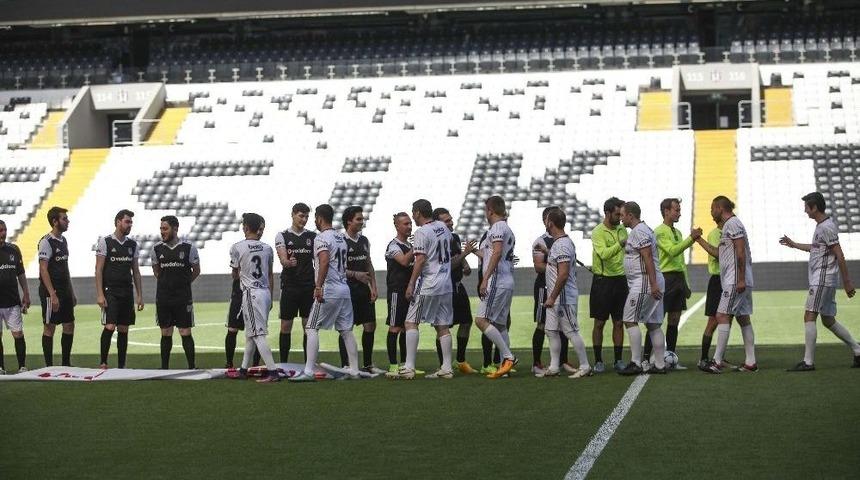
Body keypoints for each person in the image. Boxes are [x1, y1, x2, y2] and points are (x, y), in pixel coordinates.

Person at [780, 192, 860, 371]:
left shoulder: (826, 227)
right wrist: (793, 244)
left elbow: (839, 254)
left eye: (807, 207)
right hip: (825, 279)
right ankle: (858, 350)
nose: (805, 211)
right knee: (828, 320)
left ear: (814, 207)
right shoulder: (822, 226)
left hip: (822, 279)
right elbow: (816, 248)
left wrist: (847, 282)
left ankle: (808, 362)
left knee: (809, 315)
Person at [386, 199, 455, 380]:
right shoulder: (442, 226)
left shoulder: (421, 233)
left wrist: (411, 284)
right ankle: (447, 368)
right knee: (443, 326)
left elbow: (420, 260)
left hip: (430, 283)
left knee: (410, 322)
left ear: (417, 213)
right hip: (446, 283)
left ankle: (409, 366)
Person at [291, 204, 360, 382]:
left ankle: (308, 371)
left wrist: (318, 286)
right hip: (344, 289)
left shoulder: (321, 238)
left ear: (320, 218)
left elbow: (324, 261)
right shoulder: (341, 237)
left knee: (311, 328)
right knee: (346, 330)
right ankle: (354, 369)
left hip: (329, 288)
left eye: (315, 217)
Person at [695, 196, 757, 373]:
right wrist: (699, 240)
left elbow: (740, 252)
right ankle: (751, 362)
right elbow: (720, 254)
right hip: (736, 279)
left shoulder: (733, 224)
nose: (711, 212)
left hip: (735, 280)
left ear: (720, 208)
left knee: (721, 315)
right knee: (743, 318)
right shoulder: (728, 227)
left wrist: (741, 279)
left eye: (712, 208)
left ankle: (716, 361)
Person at [647, 198, 701, 370]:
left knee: (674, 320)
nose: (679, 213)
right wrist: (691, 239)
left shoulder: (677, 232)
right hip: (666, 278)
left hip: (677, 279)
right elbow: (671, 252)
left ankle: (670, 356)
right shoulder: (659, 232)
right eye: (676, 210)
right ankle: (646, 358)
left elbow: (681, 261)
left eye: (679, 210)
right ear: (666, 211)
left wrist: (686, 283)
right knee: (657, 320)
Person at [538, 208, 592, 378]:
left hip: (562, 298)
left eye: (546, 220)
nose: (545, 223)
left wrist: (552, 297)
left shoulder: (561, 244)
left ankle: (585, 365)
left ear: (550, 223)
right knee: (551, 330)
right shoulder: (560, 243)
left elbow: (563, 274)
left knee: (571, 331)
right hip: (557, 297)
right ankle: (554, 366)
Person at [227, 213, 279, 383]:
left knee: (258, 334)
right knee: (251, 333)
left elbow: (235, 274)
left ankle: (273, 371)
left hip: (250, 293)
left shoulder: (237, 247)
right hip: (264, 292)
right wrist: (271, 296)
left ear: (246, 228)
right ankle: (243, 369)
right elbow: (270, 274)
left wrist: (240, 272)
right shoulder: (267, 248)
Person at [617, 201, 667, 376]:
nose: (620, 218)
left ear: (631, 215)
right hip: (648, 281)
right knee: (653, 324)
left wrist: (652, 284)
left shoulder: (639, 231)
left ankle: (636, 362)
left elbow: (647, 258)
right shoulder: (642, 231)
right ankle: (660, 364)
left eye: (622, 215)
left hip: (644, 282)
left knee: (630, 319)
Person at [472, 195, 518, 379]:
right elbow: (490, 252)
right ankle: (503, 366)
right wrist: (472, 251)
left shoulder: (497, 227)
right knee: (499, 325)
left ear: (490, 210)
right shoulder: (506, 228)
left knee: (481, 320)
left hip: (497, 281)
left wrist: (485, 278)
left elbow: (497, 252)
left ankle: (508, 357)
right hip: (506, 280)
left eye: (486, 210)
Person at [96, 209, 144, 369]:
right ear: (118, 222)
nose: (130, 224)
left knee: (124, 328)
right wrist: (100, 294)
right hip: (111, 291)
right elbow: (98, 269)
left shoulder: (132, 244)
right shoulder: (105, 242)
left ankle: (121, 365)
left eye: (131, 222)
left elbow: (136, 271)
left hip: (127, 292)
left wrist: (139, 295)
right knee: (110, 326)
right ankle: (103, 362)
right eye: (127, 221)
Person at [151, 215, 200, 369]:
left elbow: (196, 271)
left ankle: (192, 367)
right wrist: (168, 284)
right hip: (163, 298)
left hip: (183, 298)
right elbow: (157, 271)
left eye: (165, 229)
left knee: (185, 331)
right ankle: (164, 368)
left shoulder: (189, 248)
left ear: (175, 229)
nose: (162, 232)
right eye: (161, 229)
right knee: (165, 332)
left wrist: (183, 284)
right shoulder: (157, 249)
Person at [433, 207, 478, 374]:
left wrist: (466, 266)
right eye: (447, 220)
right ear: (437, 223)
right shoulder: (436, 240)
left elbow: (459, 257)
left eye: (451, 219)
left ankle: (460, 360)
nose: (451, 222)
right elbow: (447, 265)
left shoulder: (454, 237)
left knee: (466, 322)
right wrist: (465, 255)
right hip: (443, 287)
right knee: (442, 326)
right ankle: (443, 364)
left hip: (457, 286)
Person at [341, 205, 382, 374]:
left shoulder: (364, 241)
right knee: (346, 328)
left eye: (362, 219)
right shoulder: (340, 241)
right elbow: (337, 268)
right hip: (347, 290)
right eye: (358, 219)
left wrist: (373, 286)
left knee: (370, 325)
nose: (361, 222)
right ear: (349, 221)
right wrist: (355, 274)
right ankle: (346, 365)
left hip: (364, 290)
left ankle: (368, 364)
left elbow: (368, 263)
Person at [531, 206, 571, 375]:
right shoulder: (540, 241)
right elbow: (538, 266)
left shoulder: (563, 240)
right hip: (544, 286)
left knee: (563, 324)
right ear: (546, 221)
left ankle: (563, 360)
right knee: (542, 324)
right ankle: (537, 363)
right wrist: (558, 267)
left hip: (561, 287)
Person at [274, 202, 316, 363]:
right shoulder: (282, 235)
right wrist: (287, 262)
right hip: (290, 286)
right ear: (292, 214)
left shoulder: (312, 237)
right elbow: (283, 259)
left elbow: (318, 261)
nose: (304, 219)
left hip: (308, 287)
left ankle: (308, 364)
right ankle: (284, 363)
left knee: (308, 327)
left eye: (306, 216)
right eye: (301, 215)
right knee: (286, 326)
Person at [589, 197, 627, 373]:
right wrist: (620, 244)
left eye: (621, 214)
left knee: (619, 322)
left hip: (621, 280)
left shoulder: (622, 229)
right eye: (617, 214)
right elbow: (604, 254)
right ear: (608, 213)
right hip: (602, 281)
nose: (620, 218)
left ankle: (618, 360)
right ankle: (598, 360)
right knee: (599, 323)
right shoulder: (598, 232)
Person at [38, 206, 76, 367]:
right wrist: (52, 295)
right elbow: (43, 269)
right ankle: (49, 366)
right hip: (50, 292)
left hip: (65, 290)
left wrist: (71, 291)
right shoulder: (46, 242)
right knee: (49, 327)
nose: (68, 221)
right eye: (64, 218)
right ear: (55, 221)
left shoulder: (64, 240)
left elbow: (65, 268)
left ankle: (66, 363)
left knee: (69, 324)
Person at [697, 218, 731, 371]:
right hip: (718, 280)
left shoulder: (728, 232)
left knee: (726, 320)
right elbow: (719, 254)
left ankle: (719, 357)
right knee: (713, 321)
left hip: (728, 280)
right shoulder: (715, 234)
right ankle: (703, 359)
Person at [384, 212, 413, 373]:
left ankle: (404, 363)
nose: (409, 226)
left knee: (406, 327)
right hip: (396, 291)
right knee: (395, 327)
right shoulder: (393, 246)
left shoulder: (409, 246)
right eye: (405, 224)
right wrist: (417, 247)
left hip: (409, 291)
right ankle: (393, 364)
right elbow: (403, 261)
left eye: (410, 223)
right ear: (397, 226)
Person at [0, 219, 29, 373]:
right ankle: (0, 368)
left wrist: (26, 293)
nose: (3, 233)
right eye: (0, 231)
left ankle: (22, 366)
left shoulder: (13, 250)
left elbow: (21, 274)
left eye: (4, 230)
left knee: (18, 334)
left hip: (12, 302)